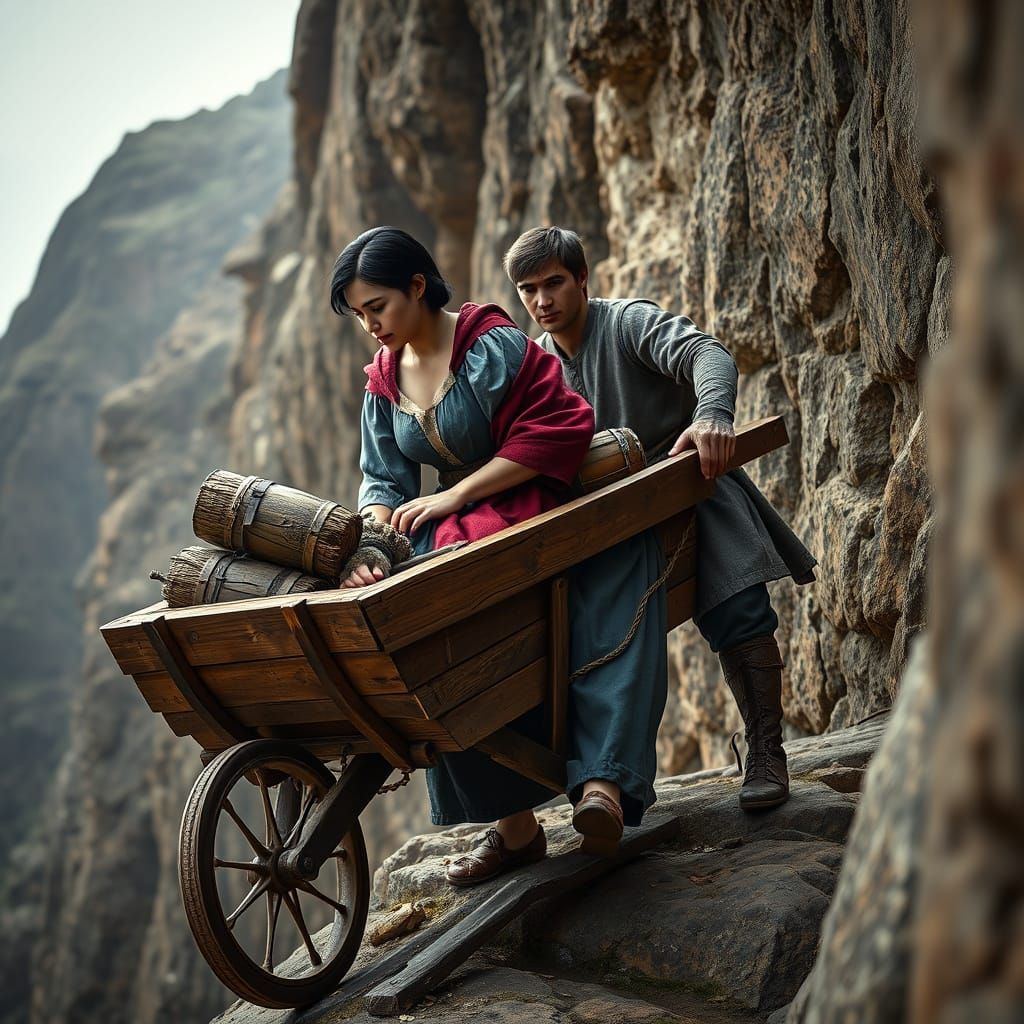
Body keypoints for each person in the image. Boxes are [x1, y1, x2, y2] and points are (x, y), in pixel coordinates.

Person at [330, 226, 613, 885]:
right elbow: (382, 482)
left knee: (444, 607)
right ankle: (515, 828)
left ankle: (536, 801)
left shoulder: (488, 343)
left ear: (417, 286)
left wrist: (455, 493)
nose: (371, 326)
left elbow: (561, 424)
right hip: (449, 521)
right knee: (397, 605)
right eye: (360, 315)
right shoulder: (383, 381)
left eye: (377, 307)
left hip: (524, 496)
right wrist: (370, 546)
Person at [503, 226, 818, 812]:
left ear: (582, 279)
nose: (542, 300)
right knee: (586, 637)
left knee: (739, 610)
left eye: (554, 283)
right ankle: (595, 787)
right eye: (529, 289)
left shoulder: (627, 322)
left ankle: (767, 750)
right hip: (611, 525)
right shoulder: (536, 365)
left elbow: (707, 353)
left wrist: (712, 415)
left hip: (689, 490)